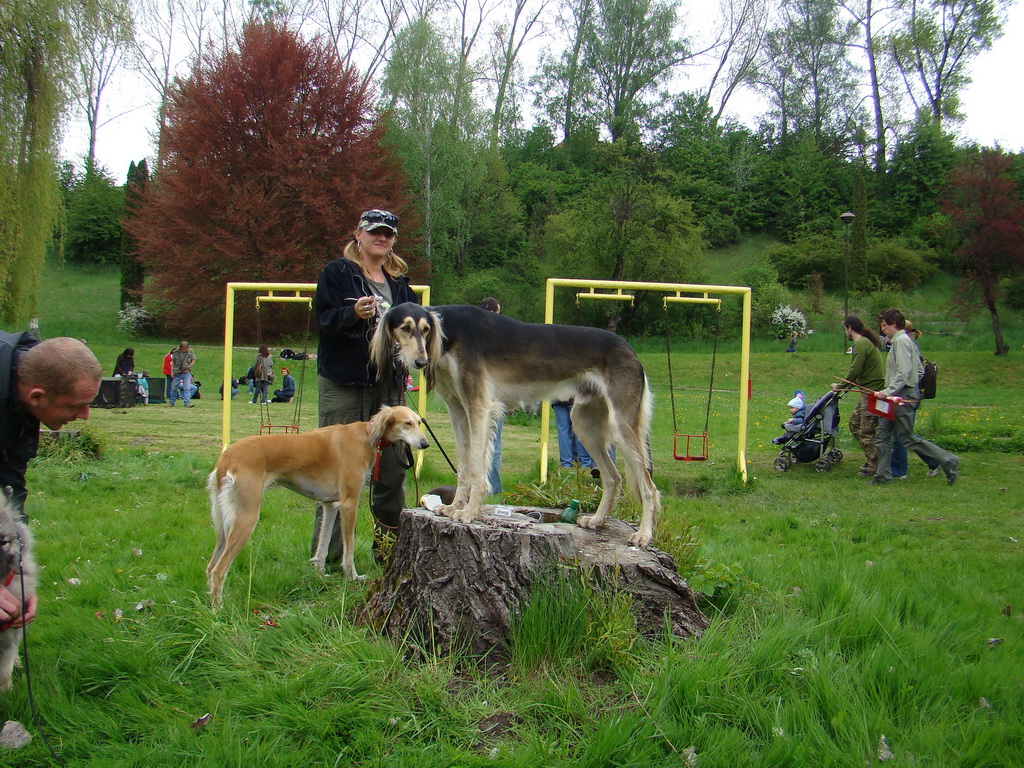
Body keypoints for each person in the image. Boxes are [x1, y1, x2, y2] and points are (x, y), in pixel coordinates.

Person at [314, 208, 417, 562]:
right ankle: (325, 560)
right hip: (343, 385)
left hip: (387, 390)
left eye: (389, 233)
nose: (383, 237)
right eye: (376, 231)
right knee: (333, 474)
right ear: (359, 234)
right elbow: (323, 320)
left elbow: (415, 329)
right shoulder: (338, 273)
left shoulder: (401, 285)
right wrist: (351, 314)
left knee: (390, 474)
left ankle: (388, 555)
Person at [0, 332, 102, 629]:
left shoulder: (25, 385)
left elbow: (9, 490)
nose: (84, 416)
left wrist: (17, 579)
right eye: (75, 406)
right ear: (37, 397)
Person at [870, 308, 959, 486]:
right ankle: (883, 476)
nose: (883, 329)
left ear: (894, 324)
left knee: (907, 438)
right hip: (898, 394)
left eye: (885, 325)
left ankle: (949, 461)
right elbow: (918, 370)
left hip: (900, 397)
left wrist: (888, 392)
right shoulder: (903, 341)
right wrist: (909, 388)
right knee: (882, 435)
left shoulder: (901, 341)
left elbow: (904, 372)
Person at [832, 316, 885, 476]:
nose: (845, 332)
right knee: (854, 424)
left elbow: (855, 369)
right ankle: (873, 458)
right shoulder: (865, 343)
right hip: (865, 391)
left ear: (849, 328)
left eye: (845, 329)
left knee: (866, 431)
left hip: (872, 393)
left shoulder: (861, 344)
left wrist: (840, 387)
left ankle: (874, 466)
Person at [889, 322, 942, 480]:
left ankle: (899, 471)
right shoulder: (909, 344)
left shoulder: (904, 345)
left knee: (903, 436)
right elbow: (918, 372)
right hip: (910, 394)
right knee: (905, 435)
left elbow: (911, 372)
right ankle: (935, 462)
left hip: (906, 396)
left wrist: (903, 389)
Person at [479, 297, 504, 494]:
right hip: (494, 396)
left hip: (478, 396)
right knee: (493, 441)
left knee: (478, 440)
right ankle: (493, 488)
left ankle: (480, 484)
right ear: (495, 313)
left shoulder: (473, 336)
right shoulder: (499, 336)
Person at [552, 399, 598, 476]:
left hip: (558, 399)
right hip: (575, 399)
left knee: (562, 432)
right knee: (579, 431)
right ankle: (584, 462)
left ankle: (566, 462)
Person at [169, 341, 196, 407]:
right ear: (180, 347)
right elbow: (173, 362)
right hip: (177, 372)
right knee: (174, 388)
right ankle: (172, 402)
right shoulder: (175, 352)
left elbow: (193, 361)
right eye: (183, 349)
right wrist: (172, 371)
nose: (184, 350)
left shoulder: (190, 352)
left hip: (186, 372)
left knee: (187, 388)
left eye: (185, 349)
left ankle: (187, 403)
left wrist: (188, 368)